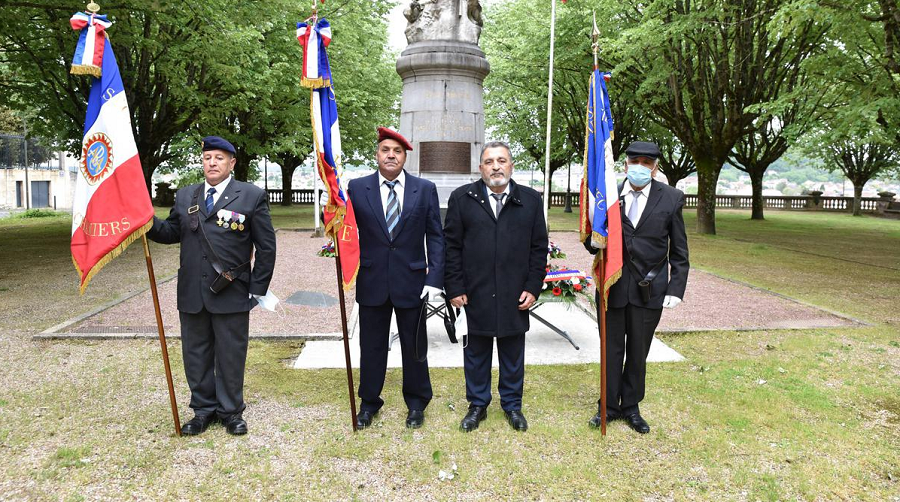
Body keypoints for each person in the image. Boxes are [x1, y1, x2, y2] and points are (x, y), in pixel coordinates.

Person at [147, 136, 277, 436]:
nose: (212, 163)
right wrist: (147, 222)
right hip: (192, 291)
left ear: (231, 163)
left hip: (232, 290)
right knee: (196, 354)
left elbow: (266, 248)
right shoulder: (186, 196)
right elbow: (170, 233)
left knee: (231, 353)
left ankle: (231, 412)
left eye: (219, 158)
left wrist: (256, 290)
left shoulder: (251, 195)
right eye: (207, 158)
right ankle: (203, 410)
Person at [444, 141, 548, 432]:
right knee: (475, 351)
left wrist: (532, 286)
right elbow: (451, 246)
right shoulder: (462, 198)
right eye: (489, 162)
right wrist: (454, 286)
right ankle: (478, 405)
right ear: (480, 168)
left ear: (511, 165)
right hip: (473, 292)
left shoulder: (530, 199)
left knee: (512, 352)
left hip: (515, 293)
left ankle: (513, 406)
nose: (496, 166)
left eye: (502, 160)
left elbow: (538, 248)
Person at [586, 140, 689, 434]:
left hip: (650, 288)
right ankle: (607, 406)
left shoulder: (671, 198)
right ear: (625, 164)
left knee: (638, 351)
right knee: (610, 349)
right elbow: (593, 242)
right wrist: (592, 239)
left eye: (647, 162)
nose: (640, 167)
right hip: (612, 285)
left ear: (655, 167)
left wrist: (675, 289)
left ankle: (631, 407)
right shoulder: (607, 195)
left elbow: (680, 251)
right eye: (635, 161)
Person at [347, 127, 445, 429]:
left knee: (415, 347)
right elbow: (346, 232)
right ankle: (369, 403)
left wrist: (434, 280)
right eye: (385, 150)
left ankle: (416, 404)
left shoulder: (424, 189)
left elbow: (436, 237)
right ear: (377, 154)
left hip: (413, 283)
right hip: (372, 280)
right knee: (372, 346)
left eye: (397, 151)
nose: (391, 155)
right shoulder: (356, 187)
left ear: (405, 157)